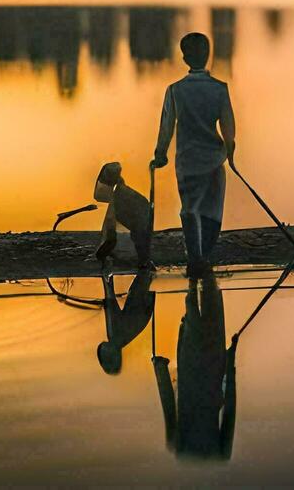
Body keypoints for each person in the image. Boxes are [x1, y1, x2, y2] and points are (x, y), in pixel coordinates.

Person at [152, 32, 236, 275]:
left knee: (190, 208)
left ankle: (195, 258)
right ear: (207, 56)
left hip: (187, 161)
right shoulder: (219, 89)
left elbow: (166, 126)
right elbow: (228, 129)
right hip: (213, 160)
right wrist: (230, 154)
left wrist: (160, 154)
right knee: (212, 210)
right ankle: (205, 256)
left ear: (184, 57)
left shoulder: (176, 90)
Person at [153, 269, 237, 460]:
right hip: (202, 375)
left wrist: (231, 360)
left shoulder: (184, 449)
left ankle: (195, 273)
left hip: (206, 373)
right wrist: (159, 369)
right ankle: (195, 275)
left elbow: (230, 409)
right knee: (198, 310)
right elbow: (229, 410)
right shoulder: (185, 450)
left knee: (205, 307)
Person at [95, 268, 156, 375]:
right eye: (103, 355)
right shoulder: (116, 335)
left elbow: (111, 303)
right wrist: (106, 275)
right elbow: (110, 301)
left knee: (146, 273)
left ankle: (147, 270)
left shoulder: (119, 339)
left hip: (143, 301)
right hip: (140, 299)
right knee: (145, 270)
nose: (101, 350)